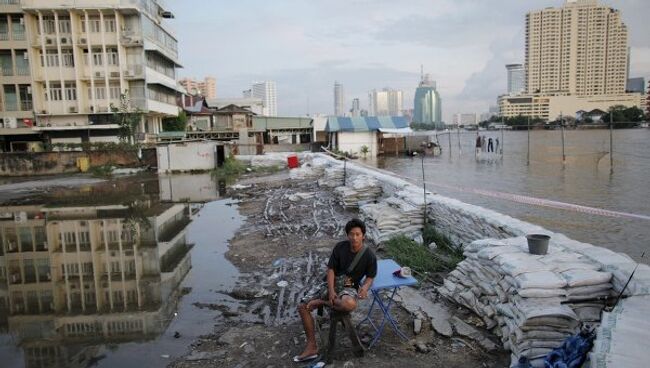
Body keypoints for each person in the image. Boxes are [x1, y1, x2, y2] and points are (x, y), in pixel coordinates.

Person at [294, 219, 377, 363]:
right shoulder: (340, 247)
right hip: (331, 282)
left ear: (363, 235)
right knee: (302, 306)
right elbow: (331, 269)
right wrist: (331, 291)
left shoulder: (369, 255)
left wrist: (365, 287)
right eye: (351, 234)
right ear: (347, 235)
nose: (354, 238)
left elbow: (370, 276)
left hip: (349, 285)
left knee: (349, 304)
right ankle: (312, 347)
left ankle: (321, 302)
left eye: (358, 234)